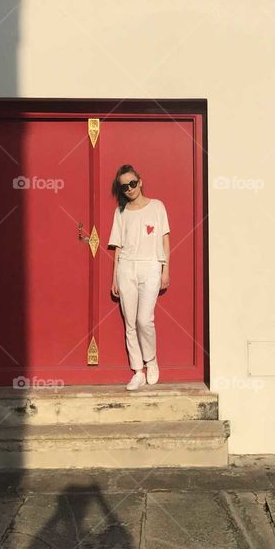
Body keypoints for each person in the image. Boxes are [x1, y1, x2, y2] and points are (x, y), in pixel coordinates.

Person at [107, 164, 170, 390]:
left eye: (133, 183)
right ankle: (138, 371)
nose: (130, 189)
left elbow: (165, 239)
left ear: (140, 181)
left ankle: (151, 360)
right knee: (130, 322)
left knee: (145, 319)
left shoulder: (157, 206)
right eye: (125, 186)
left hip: (151, 266)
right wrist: (114, 277)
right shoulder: (121, 213)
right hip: (126, 268)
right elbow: (118, 247)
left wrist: (165, 269)